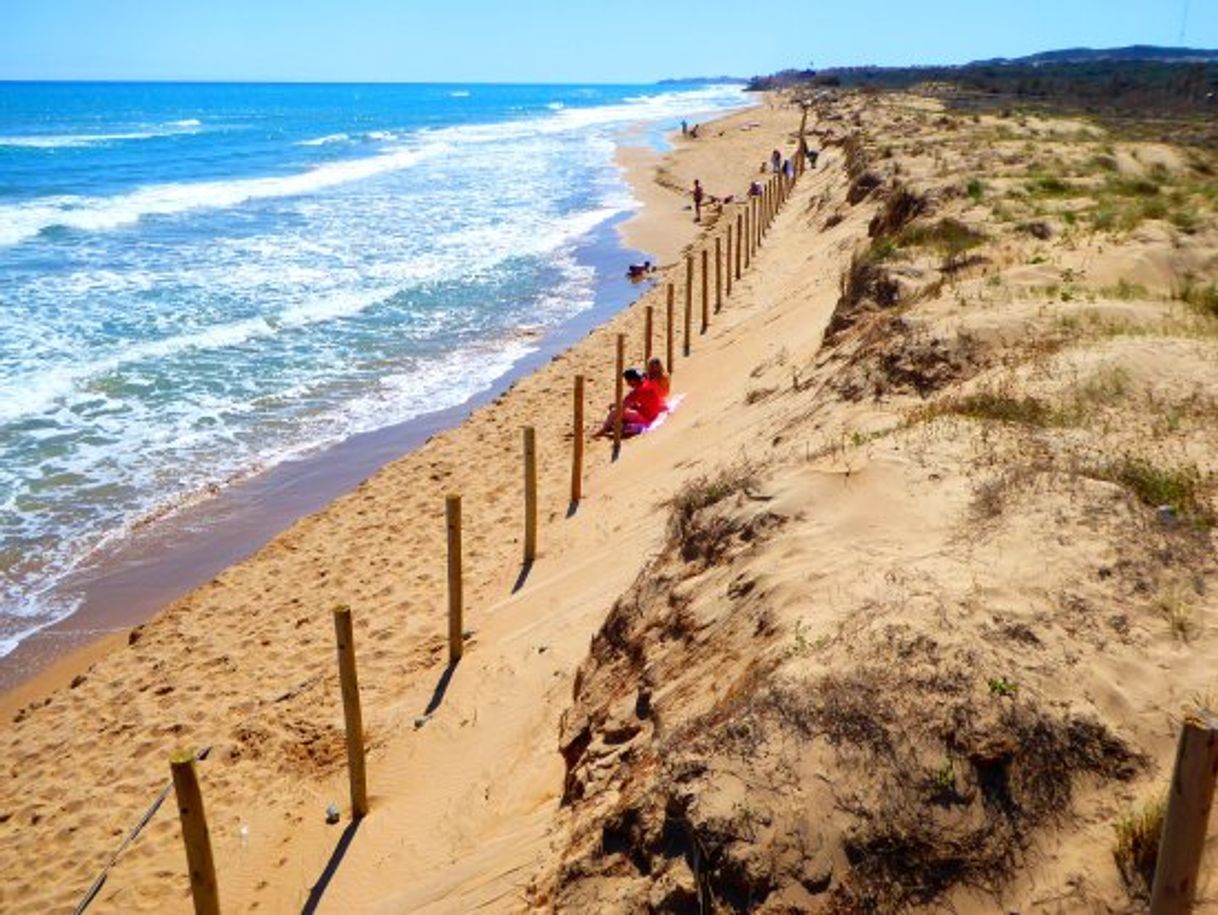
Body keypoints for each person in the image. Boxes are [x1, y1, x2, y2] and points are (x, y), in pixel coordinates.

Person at [595, 368, 664, 437]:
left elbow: (622, 406)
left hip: (647, 418)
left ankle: (603, 431)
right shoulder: (648, 383)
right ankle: (614, 425)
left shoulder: (636, 392)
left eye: (627, 381)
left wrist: (615, 407)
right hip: (655, 413)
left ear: (632, 381)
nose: (627, 384)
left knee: (614, 411)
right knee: (626, 409)